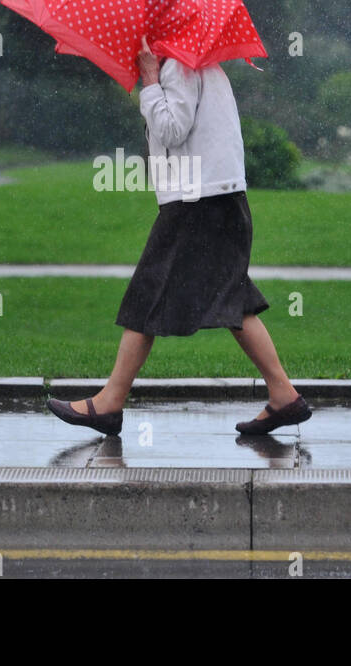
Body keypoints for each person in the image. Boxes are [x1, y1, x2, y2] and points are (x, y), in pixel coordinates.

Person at [47, 37, 312, 437]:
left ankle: (109, 403)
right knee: (232, 298)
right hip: (216, 200)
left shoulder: (180, 66)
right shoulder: (202, 65)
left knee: (148, 293)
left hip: (197, 203)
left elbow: (172, 130)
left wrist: (151, 82)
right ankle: (284, 396)